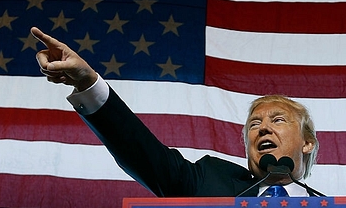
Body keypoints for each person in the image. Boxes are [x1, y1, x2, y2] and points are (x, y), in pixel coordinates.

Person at [31, 27, 321, 197]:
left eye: (278, 120)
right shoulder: (208, 180)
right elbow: (142, 153)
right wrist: (87, 82)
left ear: (307, 142)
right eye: (254, 124)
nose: (263, 129)